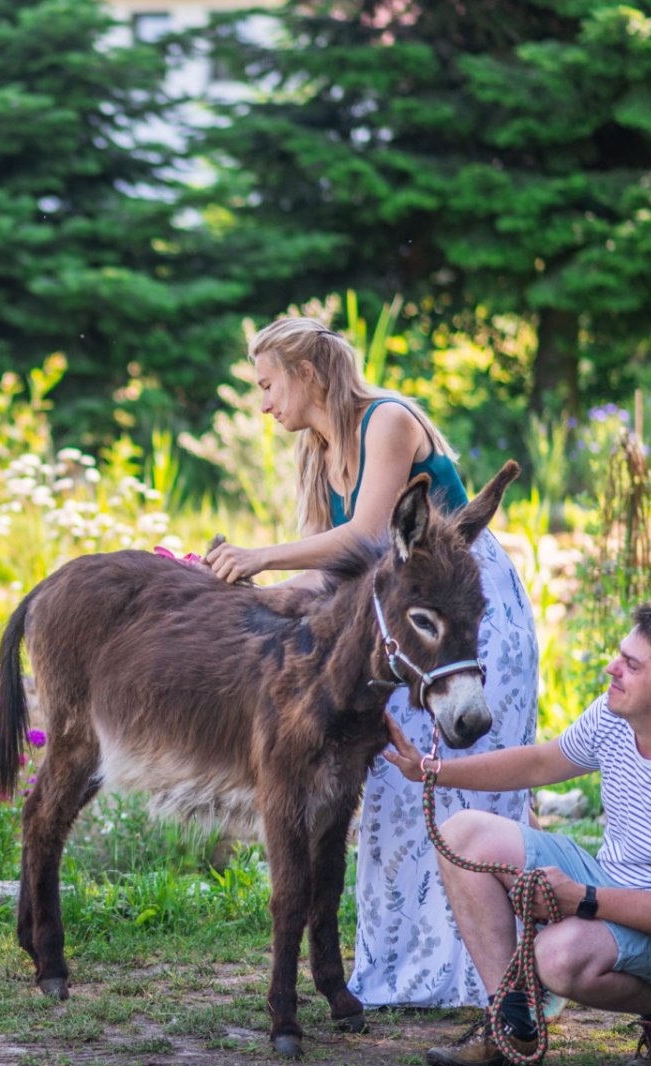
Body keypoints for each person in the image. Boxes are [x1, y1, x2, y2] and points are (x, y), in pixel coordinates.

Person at [206, 316, 540, 1007]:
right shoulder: (317, 455)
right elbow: (330, 578)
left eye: (268, 385)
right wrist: (240, 592)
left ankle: (486, 972)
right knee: (393, 788)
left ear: (306, 374)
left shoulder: (386, 420)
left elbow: (367, 536)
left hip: (459, 614)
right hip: (395, 625)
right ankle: (409, 970)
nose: (263, 403)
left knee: (467, 785)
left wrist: (260, 554)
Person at [383, 605, 651, 1066]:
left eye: (631, 665)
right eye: (620, 655)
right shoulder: (614, 715)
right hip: (614, 883)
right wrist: (432, 770)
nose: (612, 668)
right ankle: (512, 1023)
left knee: (558, 957)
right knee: (463, 835)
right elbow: (541, 762)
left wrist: (582, 898)